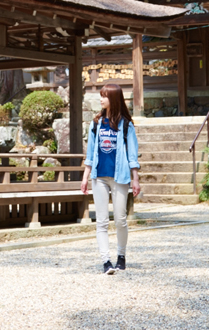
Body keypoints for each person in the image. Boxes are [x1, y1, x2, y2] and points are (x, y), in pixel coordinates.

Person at [81, 83, 141, 274]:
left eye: (104, 96)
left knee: (121, 219)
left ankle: (121, 256)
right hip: (99, 176)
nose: (101, 99)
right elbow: (90, 153)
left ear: (113, 99)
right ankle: (106, 261)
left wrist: (136, 179)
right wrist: (85, 177)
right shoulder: (96, 123)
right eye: (101, 95)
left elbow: (133, 155)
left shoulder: (126, 124)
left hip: (120, 176)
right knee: (101, 221)